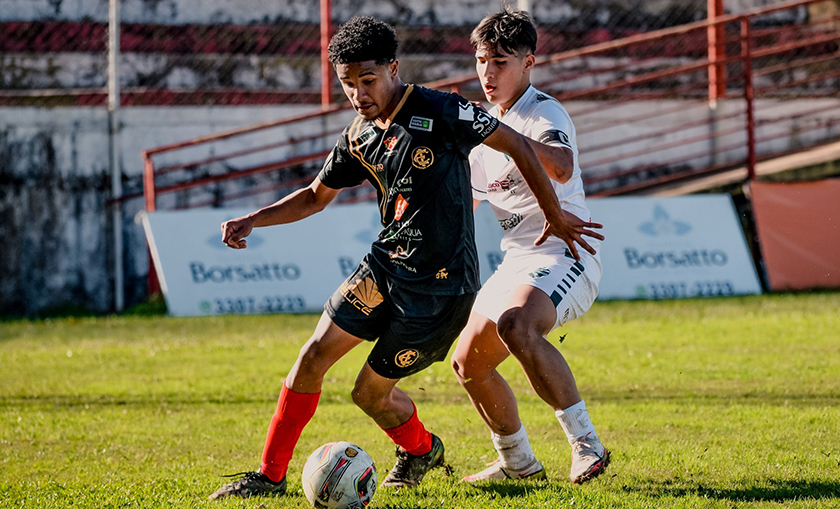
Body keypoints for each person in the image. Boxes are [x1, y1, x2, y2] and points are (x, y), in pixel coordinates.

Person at [209, 15, 603, 500]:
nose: (357, 93)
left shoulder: (468, 112)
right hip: (391, 267)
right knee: (345, 358)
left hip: (481, 274)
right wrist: (255, 218)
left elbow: (538, 155)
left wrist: (555, 214)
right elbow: (316, 195)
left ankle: (585, 445)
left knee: (396, 381)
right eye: (347, 84)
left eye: (367, 80)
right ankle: (271, 477)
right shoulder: (361, 133)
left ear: (393, 69)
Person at [451, 9, 610, 484]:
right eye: (481, 61)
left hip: (567, 252)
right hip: (517, 260)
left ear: (529, 63)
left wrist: (504, 136)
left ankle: (587, 447)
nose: (488, 73)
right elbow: (466, 204)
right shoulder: (480, 133)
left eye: (500, 62)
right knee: (467, 363)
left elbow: (561, 166)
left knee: (517, 326)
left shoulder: (544, 111)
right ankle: (517, 462)